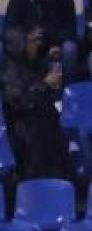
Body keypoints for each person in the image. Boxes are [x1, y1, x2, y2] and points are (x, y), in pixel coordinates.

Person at [2, 26, 75, 179]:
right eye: (31, 41)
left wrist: (54, 61)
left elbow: (54, 88)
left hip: (46, 130)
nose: (36, 44)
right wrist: (44, 84)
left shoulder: (32, 64)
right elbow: (20, 102)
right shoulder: (10, 71)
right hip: (27, 140)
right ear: (20, 45)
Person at [4, 0, 79, 80]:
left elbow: (71, 32)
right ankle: (14, 85)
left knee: (69, 48)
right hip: (26, 46)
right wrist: (27, 39)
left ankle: (67, 87)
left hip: (54, 47)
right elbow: (9, 29)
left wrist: (47, 36)